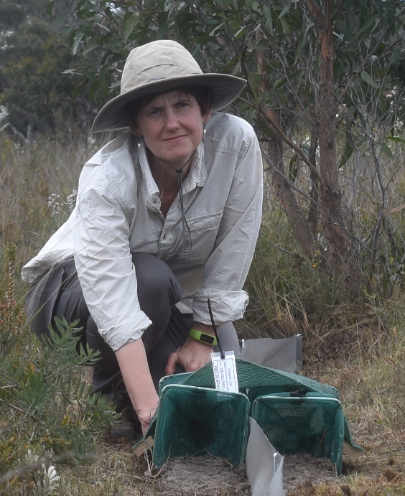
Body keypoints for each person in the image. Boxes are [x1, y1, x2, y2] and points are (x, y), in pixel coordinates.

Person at [22, 40, 263, 435]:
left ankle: (147, 389)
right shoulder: (107, 180)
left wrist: (200, 341)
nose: (172, 123)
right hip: (70, 296)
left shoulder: (236, 144)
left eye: (183, 105)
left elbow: (233, 252)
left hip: (166, 297)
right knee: (149, 279)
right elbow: (114, 301)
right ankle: (112, 399)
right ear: (135, 125)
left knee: (224, 379)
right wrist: (148, 408)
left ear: (206, 110)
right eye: (155, 111)